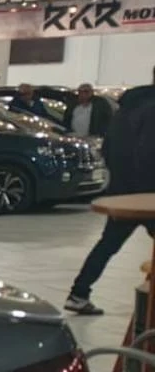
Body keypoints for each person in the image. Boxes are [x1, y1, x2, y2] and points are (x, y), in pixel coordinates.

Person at [66, 71, 155, 314]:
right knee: (108, 244)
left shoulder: (125, 109)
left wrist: (121, 183)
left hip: (122, 193)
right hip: (148, 196)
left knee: (107, 244)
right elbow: (148, 154)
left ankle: (78, 294)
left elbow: (107, 148)